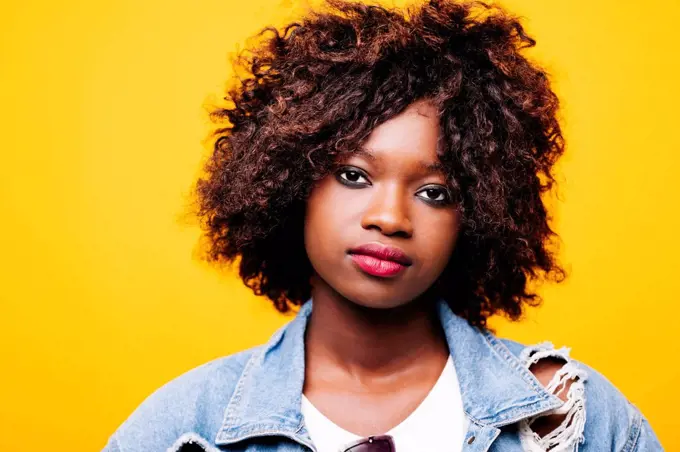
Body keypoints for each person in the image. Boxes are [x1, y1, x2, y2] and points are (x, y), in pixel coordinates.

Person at [103, 0, 663, 450]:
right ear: (290, 183)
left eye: (434, 192)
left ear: (480, 214)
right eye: (352, 176)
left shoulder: (575, 421)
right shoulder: (184, 429)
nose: (390, 218)